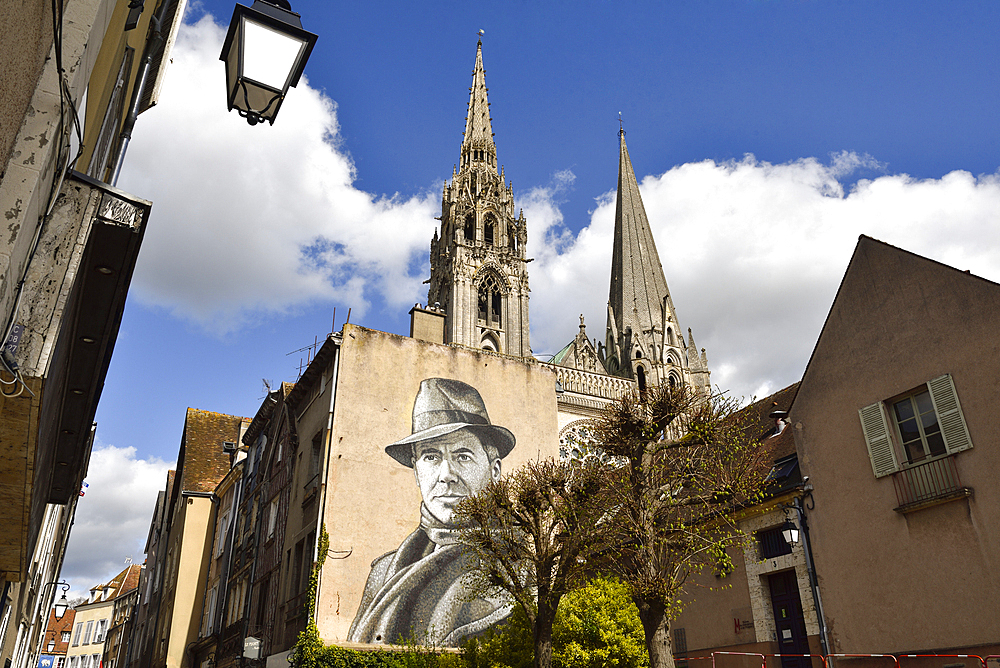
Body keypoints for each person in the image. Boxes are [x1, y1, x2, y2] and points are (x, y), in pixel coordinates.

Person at [348, 378, 516, 646]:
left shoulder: (523, 567)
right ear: (416, 472)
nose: (446, 476)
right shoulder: (383, 571)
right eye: (431, 456)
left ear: (494, 471)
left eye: (463, 456)